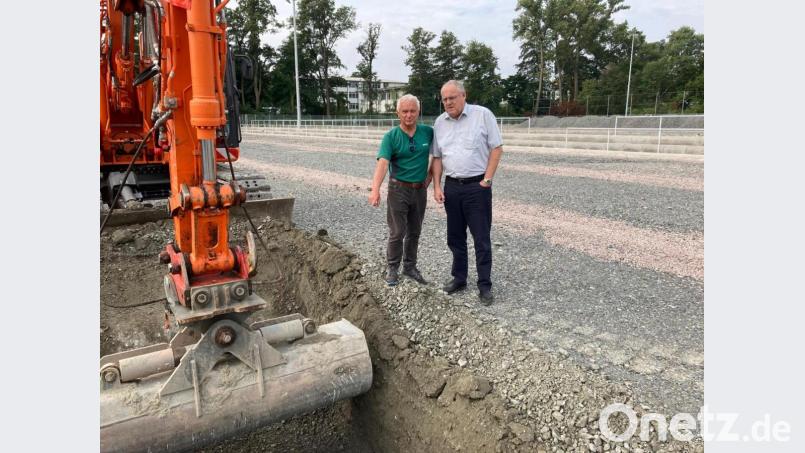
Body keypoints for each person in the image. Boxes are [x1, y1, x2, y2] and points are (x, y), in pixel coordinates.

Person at [431, 80, 503, 306]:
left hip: (476, 187)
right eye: (444, 99)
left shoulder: (483, 115)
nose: (448, 102)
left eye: (452, 97)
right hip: (452, 187)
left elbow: (497, 147)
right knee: (455, 237)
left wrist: (487, 179)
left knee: (481, 238)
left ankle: (484, 285)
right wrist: (437, 185)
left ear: (464, 95)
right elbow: (437, 157)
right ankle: (459, 278)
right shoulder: (440, 123)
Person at [368, 94, 433, 286]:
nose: (409, 115)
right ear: (398, 113)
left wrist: (430, 178)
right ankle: (393, 267)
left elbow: (438, 156)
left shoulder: (428, 132)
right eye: (404, 111)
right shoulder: (391, 137)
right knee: (397, 231)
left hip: (420, 190)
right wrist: (375, 190)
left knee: (415, 230)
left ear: (418, 112)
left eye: (413, 111)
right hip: (398, 189)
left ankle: (410, 267)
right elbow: (383, 163)